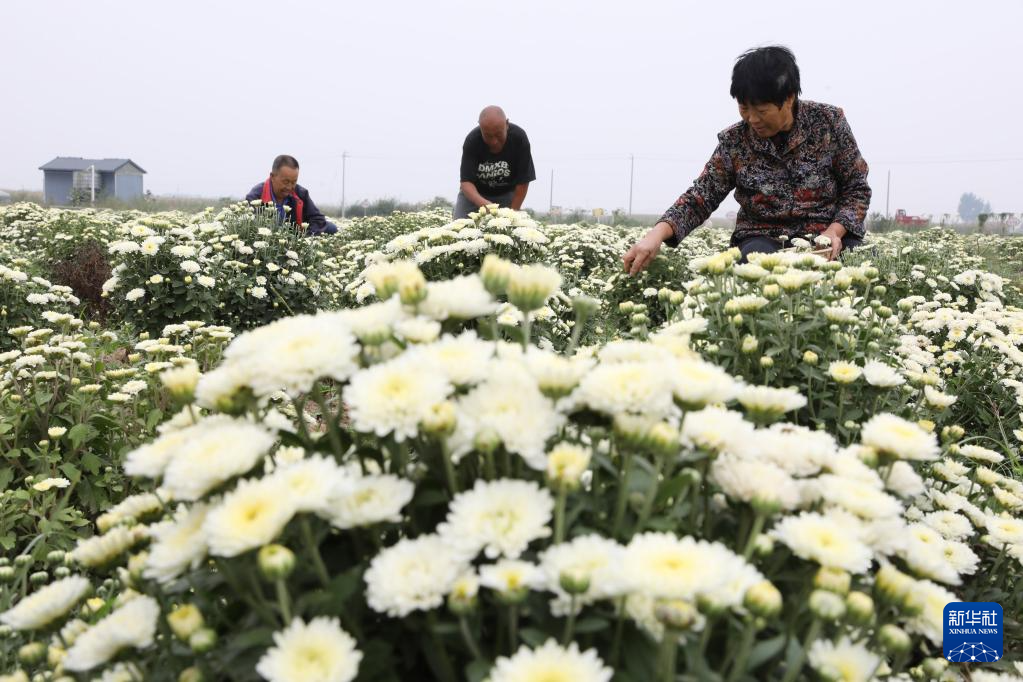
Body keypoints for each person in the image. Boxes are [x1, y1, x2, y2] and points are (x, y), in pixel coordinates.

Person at [624, 46, 871, 273]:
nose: (752, 119)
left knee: (866, 263)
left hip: (827, 235)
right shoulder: (735, 142)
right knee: (755, 263)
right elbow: (700, 197)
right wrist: (656, 235)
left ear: (789, 98)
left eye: (761, 111)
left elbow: (856, 188)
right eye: (744, 108)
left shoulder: (829, 123)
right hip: (763, 238)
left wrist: (833, 232)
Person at [454, 106, 537, 219]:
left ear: (506, 124)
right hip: (475, 194)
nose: (493, 141)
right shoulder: (472, 140)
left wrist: (512, 213)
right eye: (488, 136)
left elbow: (523, 181)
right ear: (480, 127)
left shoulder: (519, 139)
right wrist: (483, 203)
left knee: (511, 226)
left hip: (506, 193)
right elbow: (466, 183)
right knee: (459, 225)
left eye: (498, 134)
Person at [246, 155, 338, 236]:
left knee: (331, 228)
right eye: (286, 182)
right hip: (268, 240)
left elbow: (317, 219)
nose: (289, 187)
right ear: (272, 176)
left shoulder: (301, 193)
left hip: (296, 237)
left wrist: (305, 239)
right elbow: (251, 226)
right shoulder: (255, 197)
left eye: (294, 182)